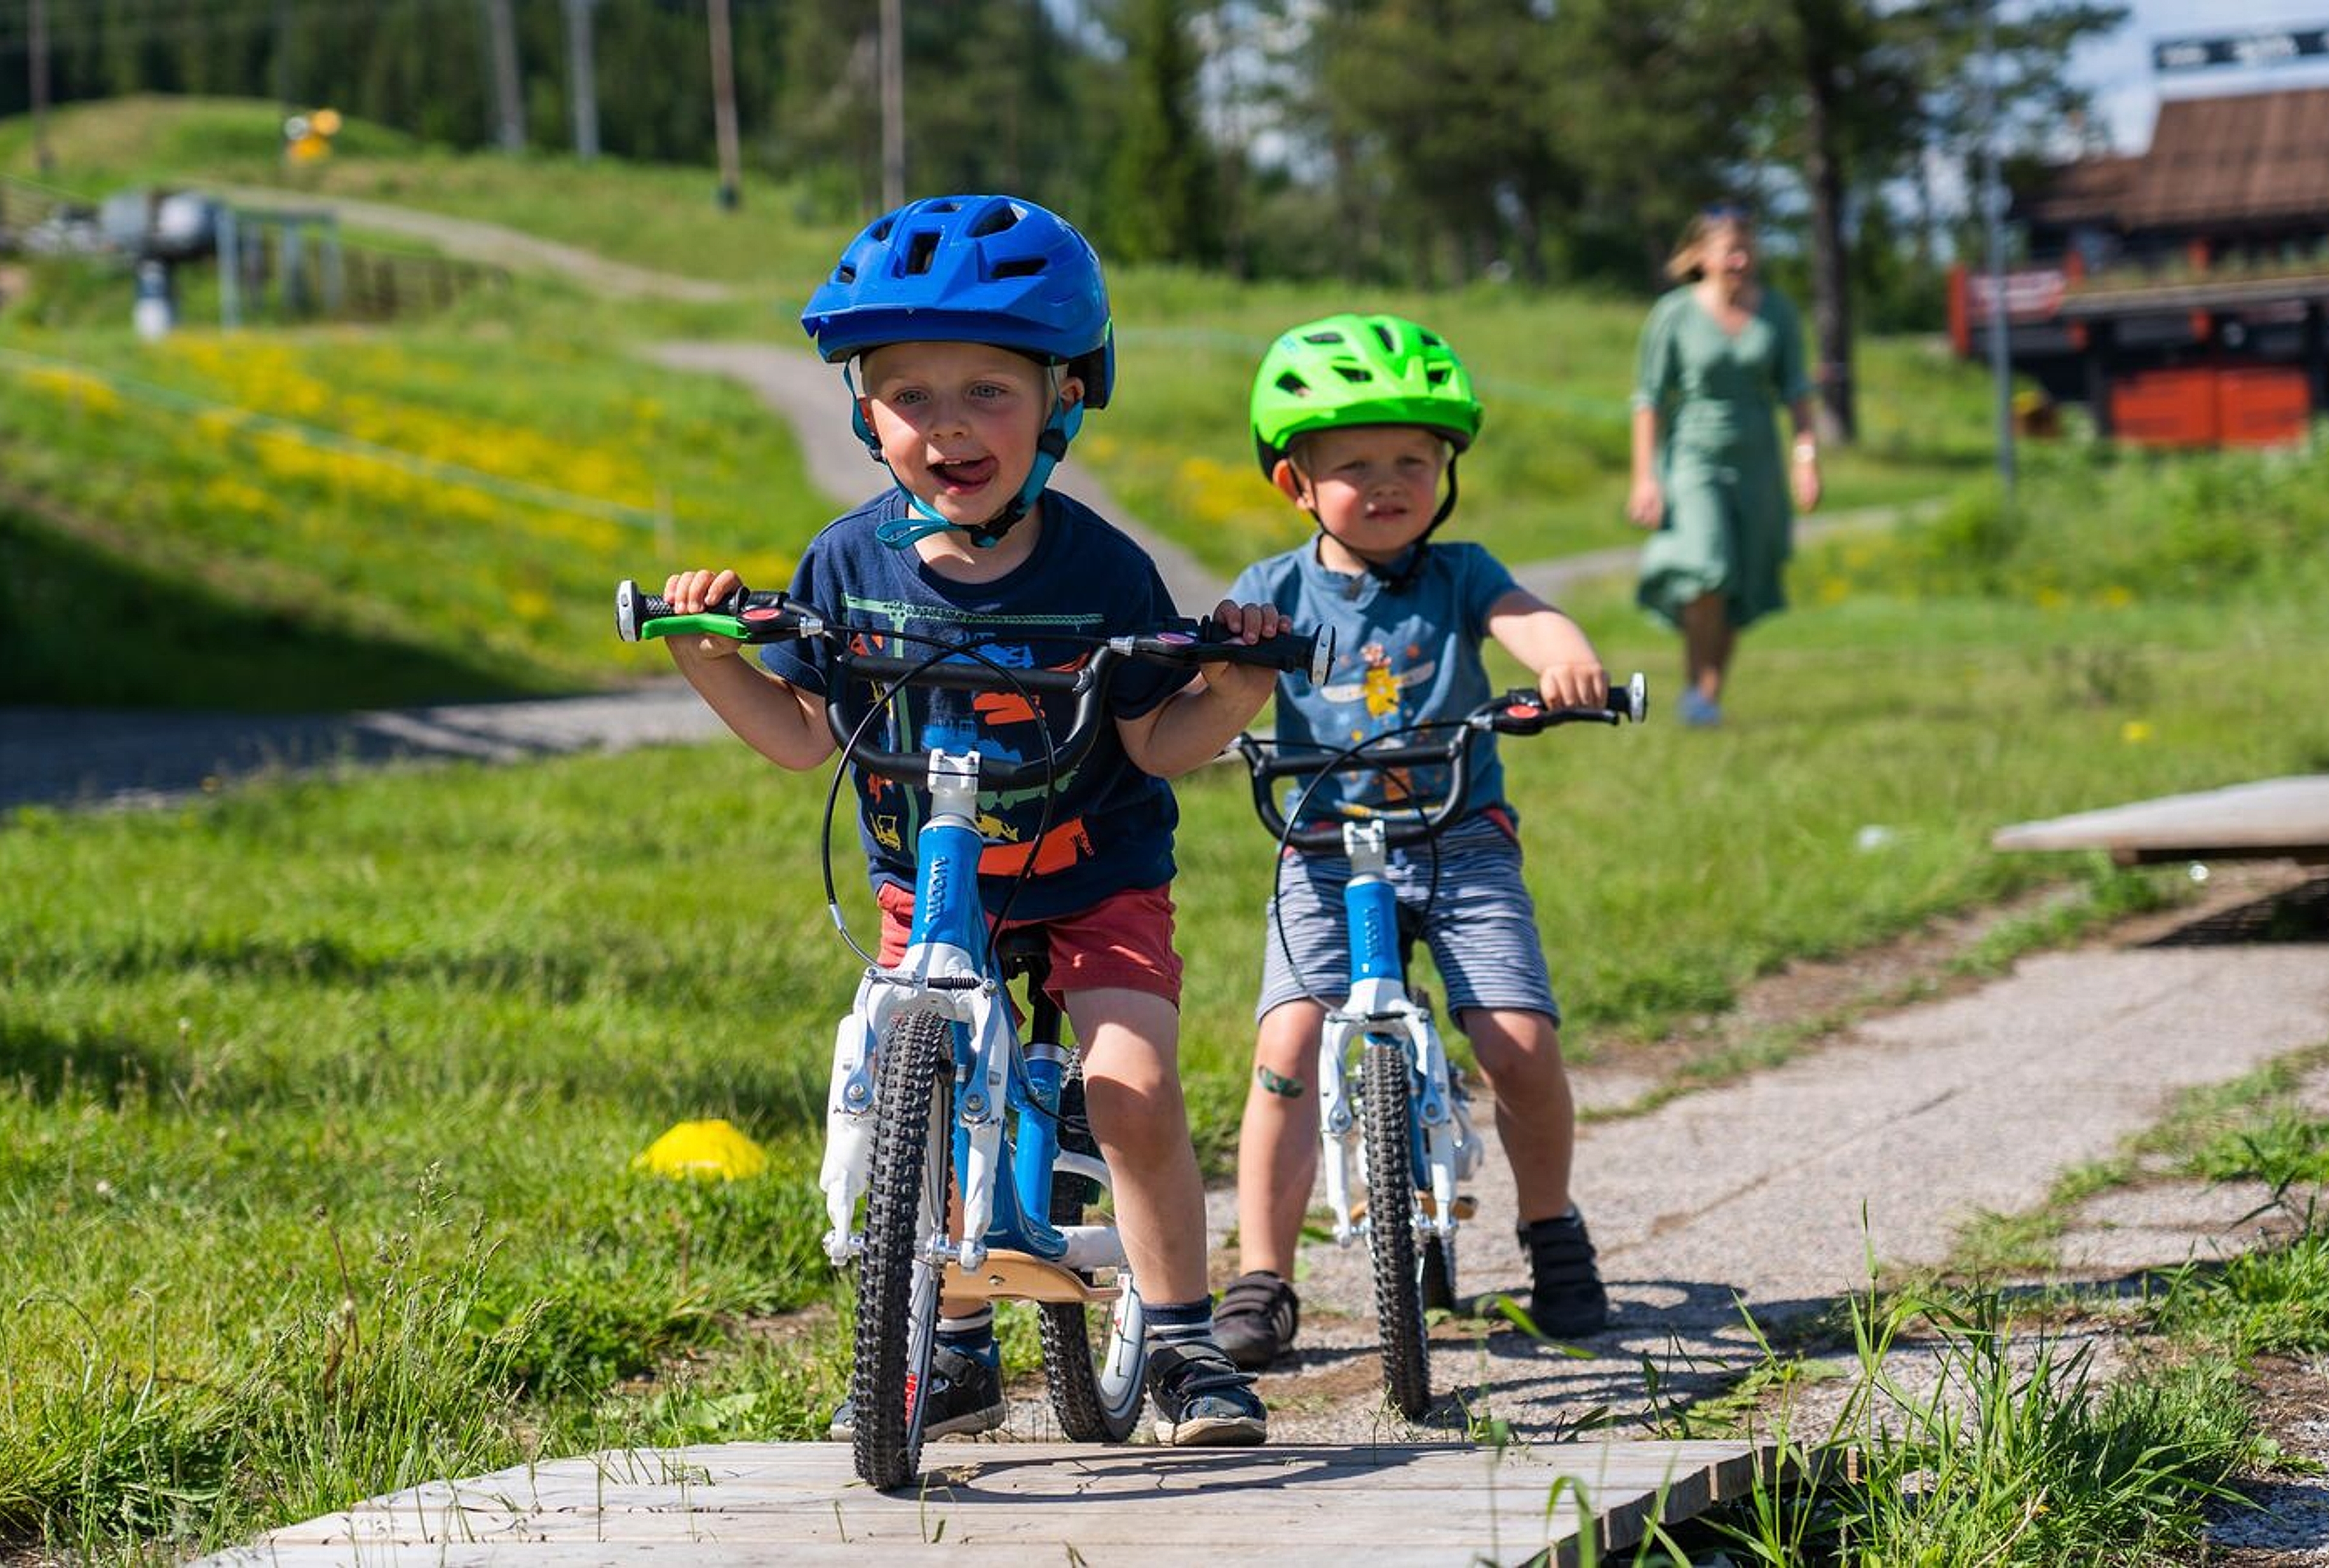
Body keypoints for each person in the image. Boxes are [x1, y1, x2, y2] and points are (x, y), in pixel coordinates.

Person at [658, 193, 1283, 1447]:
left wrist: (1241, 681)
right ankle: (946, 1348)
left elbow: (1157, 743)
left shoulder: (1103, 571)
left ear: (1063, 398)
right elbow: (802, 738)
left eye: (988, 391)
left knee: (1131, 1083)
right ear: (863, 411)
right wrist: (703, 651)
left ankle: (1183, 1342)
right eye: (909, 394)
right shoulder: (848, 566)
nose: (948, 425)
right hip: (928, 881)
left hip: (1093, 872)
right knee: (923, 1083)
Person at [1212, 313, 1613, 1372]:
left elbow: (1533, 621)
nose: (1388, 483)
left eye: (1413, 461)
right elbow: (1218, 659)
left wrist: (1567, 660)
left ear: (1446, 470)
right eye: (1354, 465)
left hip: (1459, 840)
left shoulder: (1463, 574)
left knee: (1519, 1043)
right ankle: (1264, 1272)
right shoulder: (1273, 591)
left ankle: (1551, 1227)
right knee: (1287, 1048)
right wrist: (1217, 659)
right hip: (1322, 846)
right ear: (1295, 483)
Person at [1625, 206, 1821, 728]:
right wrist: (1645, 477)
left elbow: (1797, 393)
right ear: (1702, 256)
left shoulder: (1776, 312)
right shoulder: (1674, 314)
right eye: (1729, 249)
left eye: (1747, 248)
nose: (1740, 259)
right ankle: (1696, 686)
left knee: (1741, 576)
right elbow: (1649, 399)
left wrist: (1807, 457)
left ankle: (1708, 694)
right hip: (1693, 455)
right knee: (1708, 568)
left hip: (1757, 459)